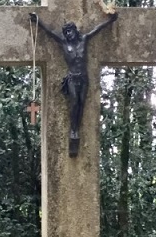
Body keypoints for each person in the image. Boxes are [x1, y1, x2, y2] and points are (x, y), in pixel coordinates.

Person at [29, 11, 117, 156]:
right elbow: (50, 33)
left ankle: (77, 128)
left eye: (70, 31)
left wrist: (111, 21)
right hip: (72, 78)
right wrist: (39, 21)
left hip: (84, 78)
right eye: (66, 32)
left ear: (76, 31)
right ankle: (73, 130)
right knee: (74, 102)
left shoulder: (84, 40)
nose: (69, 34)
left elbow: (97, 29)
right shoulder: (64, 43)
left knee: (82, 103)